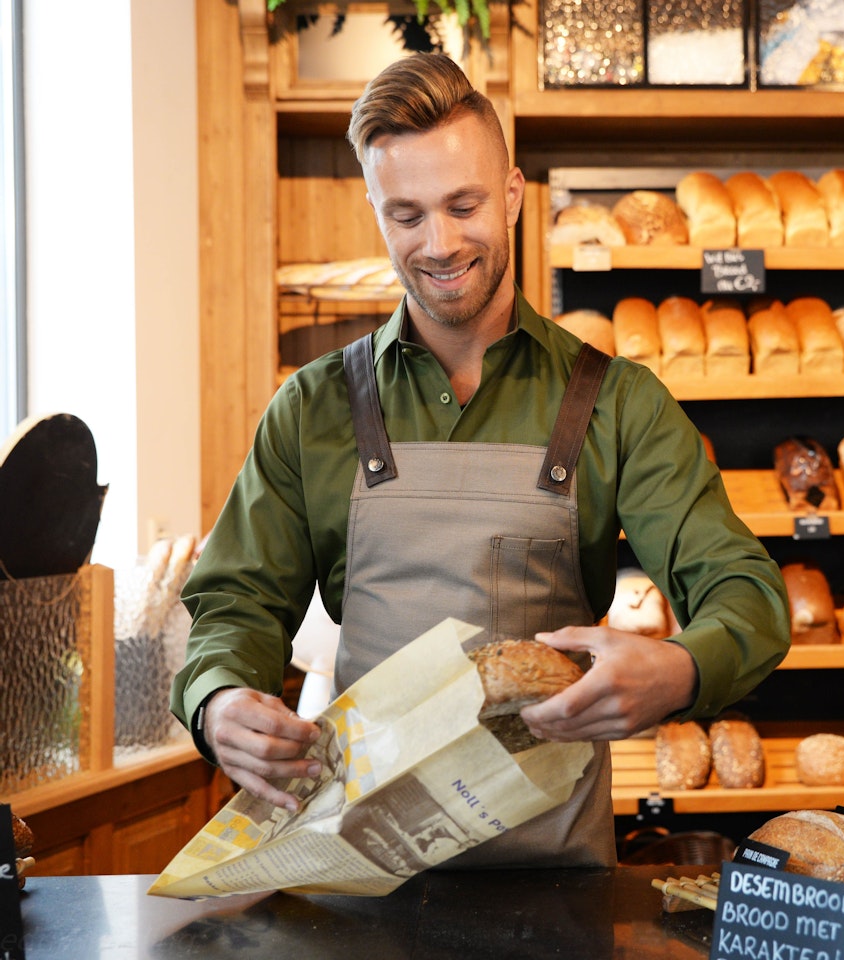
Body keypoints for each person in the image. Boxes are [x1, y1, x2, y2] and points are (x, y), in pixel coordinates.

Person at [171, 52, 790, 868]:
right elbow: (237, 603)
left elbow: (745, 593)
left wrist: (679, 668)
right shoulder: (312, 409)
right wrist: (218, 703)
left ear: (512, 195)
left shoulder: (617, 402)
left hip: (553, 877)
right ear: (376, 211)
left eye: (464, 205)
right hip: (358, 874)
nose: (438, 243)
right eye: (406, 215)